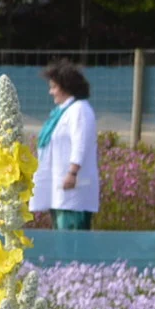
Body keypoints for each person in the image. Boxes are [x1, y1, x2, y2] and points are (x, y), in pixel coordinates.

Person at [33, 58, 100, 231]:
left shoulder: (80, 110)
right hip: (60, 186)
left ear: (67, 87)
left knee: (72, 234)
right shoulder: (62, 112)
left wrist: (72, 172)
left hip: (74, 186)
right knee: (61, 235)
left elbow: (81, 143)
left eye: (54, 87)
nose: (51, 92)